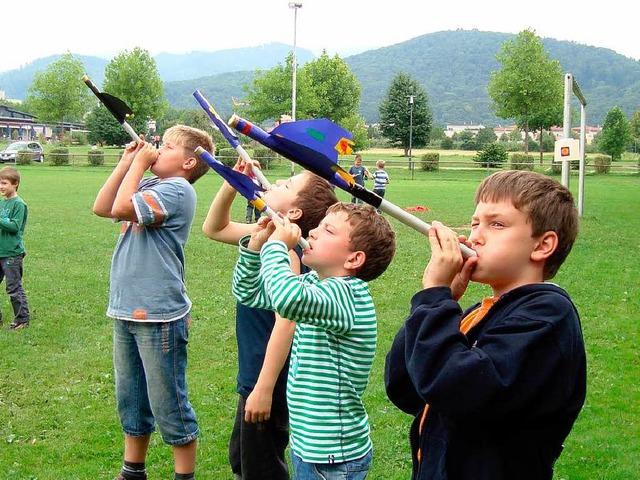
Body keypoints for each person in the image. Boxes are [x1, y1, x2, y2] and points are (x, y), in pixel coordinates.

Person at [384, 170, 586, 480]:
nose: (476, 235)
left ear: (543, 245)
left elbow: (456, 388)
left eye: (497, 224)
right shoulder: (476, 314)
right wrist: (442, 300)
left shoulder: (547, 316)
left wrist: (434, 299)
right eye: (476, 222)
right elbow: (406, 386)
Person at [232, 202, 396, 480]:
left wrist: (276, 247)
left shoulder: (348, 296)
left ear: (354, 259)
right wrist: (255, 246)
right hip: (311, 446)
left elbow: (286, 299)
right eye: (318, 225)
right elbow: (249, 294)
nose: (313, 232)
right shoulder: (315, 286)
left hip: (334, 455)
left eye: (328, 230)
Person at [202, 163, 339, 480]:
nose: (277, 180)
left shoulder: (288, 253)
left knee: (261, 465)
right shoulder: (269, 234)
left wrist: (263, 388)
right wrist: (234, 183)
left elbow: (287, 322)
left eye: (288, 184)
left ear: (293, 214)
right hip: (255, 371)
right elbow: (215, 229)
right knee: (243, 458)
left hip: (269, 379)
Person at [93, 126, 214, 480]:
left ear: (189, 162)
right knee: (130, 397)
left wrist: (139, 165)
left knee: (168, 403)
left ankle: (183, 476)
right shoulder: (151, 186)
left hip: (159, 313)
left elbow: (119, 205)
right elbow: (103, 207)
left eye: (169, 146)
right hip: (126, 307)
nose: (158, 149)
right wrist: (128, 162)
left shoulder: (178, 190)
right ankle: (132, 472)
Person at [0, 166, 30, 330]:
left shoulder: (19, 204)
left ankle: (22, 319)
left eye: (4, 183)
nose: (1, 186)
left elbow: (15, 226)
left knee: (13, 288)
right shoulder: (2, 203)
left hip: (12, 253)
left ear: (15, 184)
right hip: (0, 250)